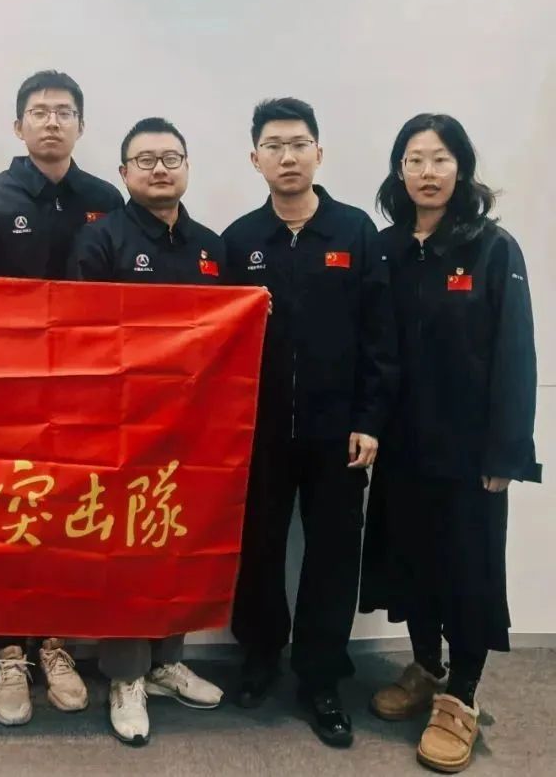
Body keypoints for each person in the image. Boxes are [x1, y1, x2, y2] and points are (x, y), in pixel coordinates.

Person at [360, 114, 540, 773]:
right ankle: (426, 667)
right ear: (399, 170)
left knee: (468, 570)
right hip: (402, 445)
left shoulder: (492, 248)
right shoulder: (385, 249)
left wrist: (505, 452)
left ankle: (461, 693)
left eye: (440, 159)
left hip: (469, 452)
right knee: (411, 561)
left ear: (460, 168)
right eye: (414, 159)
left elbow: (515, 355)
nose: (427, 172)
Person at [221, 97, 396, 747]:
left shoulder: (355, 233)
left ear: (319, 152)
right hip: (260, 433)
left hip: (339, 432)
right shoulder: (240, 241)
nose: (287, 157)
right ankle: (260, 654)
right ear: (255, 159)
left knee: (332, 555)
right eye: (274, 146)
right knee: (259, 547)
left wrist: (370, 419)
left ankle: (321, 675)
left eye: (298, 145)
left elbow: (381, 337)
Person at [0, 69, 124, 728]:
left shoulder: (105, 198)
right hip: (8, 389)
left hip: (85, 391)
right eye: (39, 111)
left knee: (65, 518)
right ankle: (9, 653)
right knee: (7, 517)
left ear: (81, 125)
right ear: (18, 125)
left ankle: (55, 644)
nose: (51, 121)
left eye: (63, 111)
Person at [70, 117, 225, 746]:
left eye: (171, 158)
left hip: (194, 425)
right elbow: (80, 333)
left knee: (178, 541)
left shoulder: (211, 246)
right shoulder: (101, 240)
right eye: (145, 160)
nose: (160, 169)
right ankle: (126, 676)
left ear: (187, 166)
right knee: (130, 550)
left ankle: (166, 661)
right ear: (124, 173)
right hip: (124, 424)